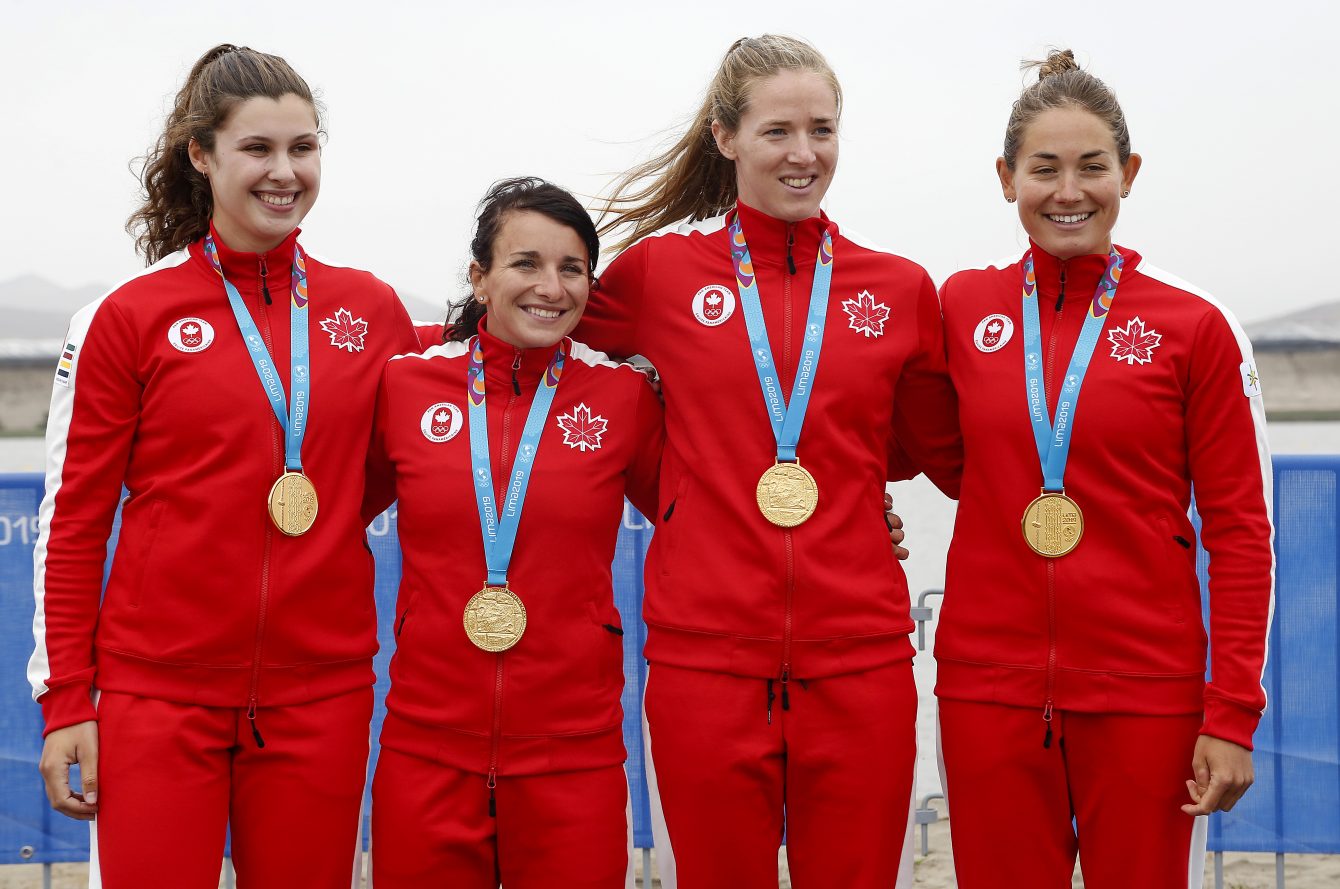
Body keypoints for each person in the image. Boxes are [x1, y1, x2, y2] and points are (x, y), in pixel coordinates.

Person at [28, 44, 419, 888]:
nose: (285, 172)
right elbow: (74, 521)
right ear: (201, 155)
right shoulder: (128, 317)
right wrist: (67, 700)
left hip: (321, 695)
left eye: (303, 148)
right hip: (158, 697)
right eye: (258, 149)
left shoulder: (371, 309)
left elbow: (393, 469)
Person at [578, 35, 961, 889]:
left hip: (859, 653)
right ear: (725, 137)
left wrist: (856, 494)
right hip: (702, 657)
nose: (803, 153)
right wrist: (666, 476)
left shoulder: (897, 288)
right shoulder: (659, 275)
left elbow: (941, 450)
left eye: (822, 130)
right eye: (778, 131)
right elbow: (531, 338)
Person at [934, 49, 1272, 889]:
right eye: (1043, 169)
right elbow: (910, 444)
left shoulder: (1194, 326)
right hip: (989, 689)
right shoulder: (961, 307)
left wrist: (1230, 713)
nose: (1068, 191)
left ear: (1130, 172)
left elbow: (1240, 530)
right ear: (1006, 177)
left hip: (1147, 693)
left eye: (1092, 167)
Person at [366, 177, 663, 888]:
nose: (551, 287)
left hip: (575, 757)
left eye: (572, 268)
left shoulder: (623, 397)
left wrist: (863, 512)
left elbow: (703, 513)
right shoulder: (405, 387)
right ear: (479, 277)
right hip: (426, 750)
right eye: (526, 263)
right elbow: (324, 506)